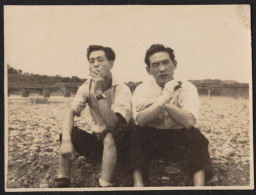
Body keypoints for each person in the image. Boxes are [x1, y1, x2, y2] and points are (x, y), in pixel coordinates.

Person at [130, 44, 212, 187]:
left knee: (197, 137)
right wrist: (163, 98)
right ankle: (138, 185)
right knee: (135, 134)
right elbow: (141, 120)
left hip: (179, 138)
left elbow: (188, 122)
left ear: (174, 64)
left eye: (166, 62)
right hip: (152, 138)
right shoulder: (142, 89)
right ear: (148, 70)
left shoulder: (187, 87)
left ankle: (199, 186)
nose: (162, 69)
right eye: (155, 65)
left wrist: (163, 101)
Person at [55, 45, 132, 187]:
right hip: (100, 144)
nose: (96, 64)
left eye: (100, 60)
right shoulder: (86, 87)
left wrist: (98, 92)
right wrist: (66, 140)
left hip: (121, 144)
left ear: (111, 63)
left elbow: (113, 123)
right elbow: (70, 111)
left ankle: (104, 183)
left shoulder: (122, 89)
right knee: (69, 133)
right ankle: (62, 180)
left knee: (109, 134)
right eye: (91, 61)